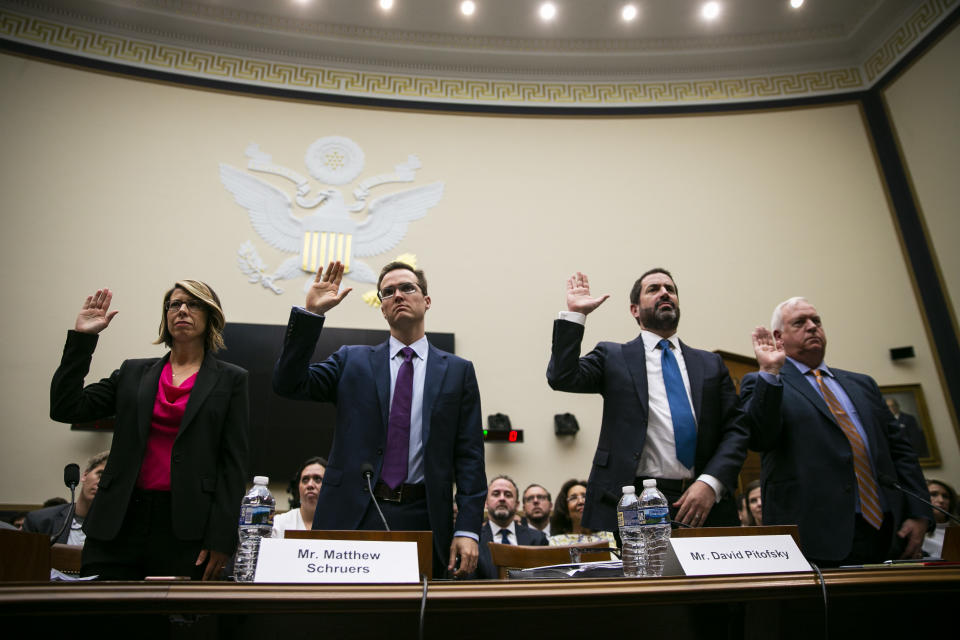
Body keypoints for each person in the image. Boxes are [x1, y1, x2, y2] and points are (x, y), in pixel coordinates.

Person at [273, 260, 486, 579]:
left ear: (426, 301)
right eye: (388, 292)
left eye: (407, 288)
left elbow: (470, 457)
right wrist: (312, 315)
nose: (398, 295)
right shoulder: (351, 360)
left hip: (423, 515)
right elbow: (289, 383)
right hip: (351, 512)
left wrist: (467, 529)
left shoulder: (458, 372)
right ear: (383, 309)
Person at [49, 282, 249, 580]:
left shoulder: (231, 380)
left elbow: (234, 464)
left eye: (193, 304)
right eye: (174, 304)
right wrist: (83, 338)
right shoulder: (133, 372)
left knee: (168, 622)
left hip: (186, 526)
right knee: (102, 616)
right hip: (118, 520)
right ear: (165, 316)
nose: (182, 310)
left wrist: (222, 539)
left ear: (210, 316)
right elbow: (66, 407)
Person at [547, 270, 748, 533]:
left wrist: (711, 483)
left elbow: (737, 428)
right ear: (634, 310)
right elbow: (562, 377)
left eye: (670, 289)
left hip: (703, 500)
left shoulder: (710, 364)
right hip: (637, 500)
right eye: (653, 289)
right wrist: (577, 315)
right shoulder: (613, 356)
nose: (665, 292)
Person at [740, 297, 933, 566]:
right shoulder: (765, 382)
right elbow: (760, 437)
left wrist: (920, 513)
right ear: (778, 337)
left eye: (816, 321)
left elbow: (901, 450)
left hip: (888, 528)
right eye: (800, 322)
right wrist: (770, 371)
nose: (812, 327)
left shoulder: (862, 384)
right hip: (816, 534)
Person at [23, 450, 109, 545]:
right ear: (85, 475)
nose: (102, 483)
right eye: (100, 475)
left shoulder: (117, 529)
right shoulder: (40, 521)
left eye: (110, 481)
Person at [475, 476, 548, 579]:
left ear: (517, 504)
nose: (502, 498)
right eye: (496, 494)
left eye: (508, 495)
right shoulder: (475, 540)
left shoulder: (537, 539)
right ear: (486, 503)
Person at [548, 479, 615, 547]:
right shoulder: (557, 542)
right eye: (573, 498)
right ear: (565, 509)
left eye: (585, 496)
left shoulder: (612, 536)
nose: (581, 501)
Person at [272, 456, 327, 539]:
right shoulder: (279, 524)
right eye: (305, 480)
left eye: (317, 479)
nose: (310, 485)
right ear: (298, 488)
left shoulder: (342, 525)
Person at [922, 479, 956, 558]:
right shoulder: (916, 531)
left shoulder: (956, 528)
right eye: (933, 494)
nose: (941, 500)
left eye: (945, 496)